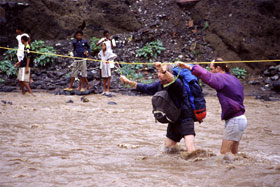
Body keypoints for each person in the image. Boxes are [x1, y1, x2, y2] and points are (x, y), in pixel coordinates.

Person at [120, 62, 196, 153]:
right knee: (168, 150)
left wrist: (162, 69)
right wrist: (128, 82)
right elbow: (146, 87)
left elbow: (173, 80)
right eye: (158, 72)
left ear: (169, 73)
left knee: (191, 152)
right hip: (173, 120)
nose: (159, 74)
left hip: (185, 119)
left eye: (161, 72)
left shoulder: (177, 83)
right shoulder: (160, 84)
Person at [176, 58, 247, 154]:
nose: (210, 71)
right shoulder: (233, 79)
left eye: (211, 69)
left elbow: (208, 77)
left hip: (235, 121)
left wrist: (189, 67)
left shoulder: (222, 78)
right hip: (240, 119)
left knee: (224, 154)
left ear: (218, 68)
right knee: (233, 154)